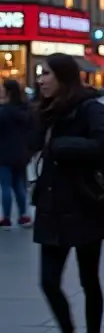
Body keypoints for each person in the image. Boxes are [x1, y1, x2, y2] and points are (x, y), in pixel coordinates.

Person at [31, 53, 104, 333]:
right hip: (53, 206)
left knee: (88, 278)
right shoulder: (45, 110)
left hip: (85, 205)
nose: (40, 79)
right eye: (39, 74)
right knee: (48, 281)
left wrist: (62, 146)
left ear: (64, 77)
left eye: (46, 74)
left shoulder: (90, 106)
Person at [0, 79, 33, 227]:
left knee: (6, 185)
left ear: (8, 91)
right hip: (21, 152)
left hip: (4, 152)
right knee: (19, 184)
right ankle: (23, 215)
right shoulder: (25, 109)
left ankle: (6, 218)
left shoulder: (3, 111)